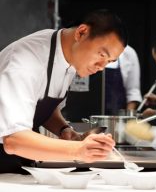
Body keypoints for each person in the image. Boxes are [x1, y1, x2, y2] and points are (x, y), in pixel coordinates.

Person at [0, 9, 127, 174]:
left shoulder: (70, 56)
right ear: (81, 33)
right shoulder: (26, 61)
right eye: (101, 54)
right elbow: (14, 139)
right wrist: (78, 150)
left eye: (108, 61)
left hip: (16, 161)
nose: (101, 67)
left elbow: (43, 105)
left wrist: (65, 131)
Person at [104, 45, 142, 115]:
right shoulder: (88, 47)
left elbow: (133, 91)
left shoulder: (128, 52)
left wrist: (127, 118)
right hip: (85, 115)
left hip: (116, 116)